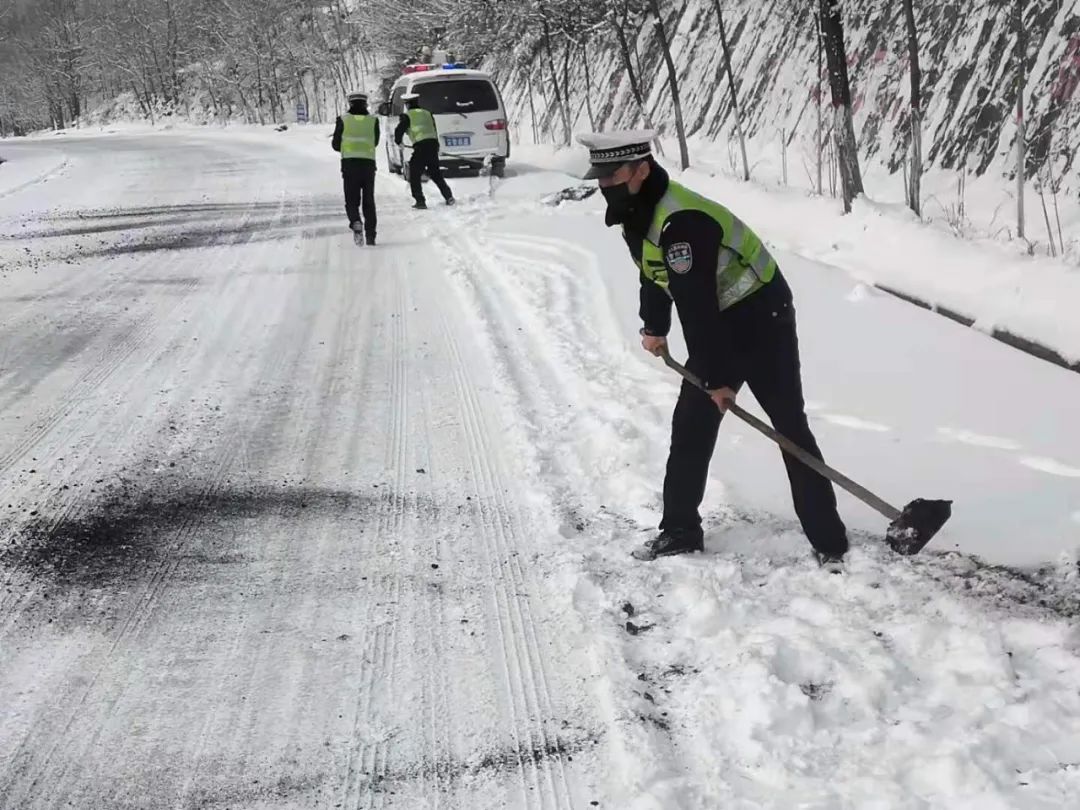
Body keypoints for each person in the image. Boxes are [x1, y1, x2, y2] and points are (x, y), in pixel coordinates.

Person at [577, 130, 849, 572]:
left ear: (641, 170)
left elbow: (697, 302)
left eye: (612, 176)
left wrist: (717, 380)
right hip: (718, 319)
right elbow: (654, 272)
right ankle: (680, 529)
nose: (604, 185)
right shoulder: (637, 212)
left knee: (788, 426)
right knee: (690, 428)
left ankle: (829, 540)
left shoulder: (683, 221)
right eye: (600, 178)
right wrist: (654, 325)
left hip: (763, 320)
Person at [332, 90, 379, 245]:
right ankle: (371, 235)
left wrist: (348, 148)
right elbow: (376, 141)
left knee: (351, 200)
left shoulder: (343, 119)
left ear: (350, 103)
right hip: (368, 165)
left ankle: (356, 221)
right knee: (369, 201)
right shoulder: (373, 120)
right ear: (365, 104)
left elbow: (335, 145)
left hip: (350, 165)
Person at [394, 92, 454, 209]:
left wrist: (399, 142)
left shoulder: (407, 116)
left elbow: (399, 131)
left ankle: (420, 201)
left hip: (421, 147)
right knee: (435, 173)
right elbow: (433, 129)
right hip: (432, 145)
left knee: (414, 173)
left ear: (407, 105)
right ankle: (448, 196)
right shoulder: (427, 113)